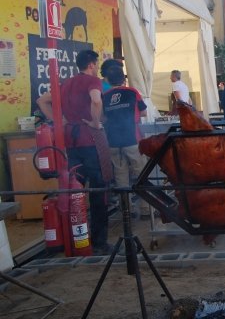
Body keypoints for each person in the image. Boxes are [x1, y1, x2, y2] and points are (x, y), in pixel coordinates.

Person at [37, 50, 113, 255]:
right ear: (91, 64)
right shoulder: (92, 81)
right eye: (96, 64)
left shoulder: (66, 84)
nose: (97, 67)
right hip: (90, 141)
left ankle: (75, 240)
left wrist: (59, 121)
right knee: (99, 192)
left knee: (74, 192)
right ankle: (99, 242)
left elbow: (41, 101)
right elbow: (96, 100)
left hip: (71, 144)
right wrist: (96, 123)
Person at [101, 65, 150, 218]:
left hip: (113, 142)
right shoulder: (132, 92)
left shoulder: (105, 95)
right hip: (132, 140)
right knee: (141, 174)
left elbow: (103, 118)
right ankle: (146, 209)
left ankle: (127, 211)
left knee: (121, 178)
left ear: (107, 79)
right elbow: (143, 112)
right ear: (123, 78)